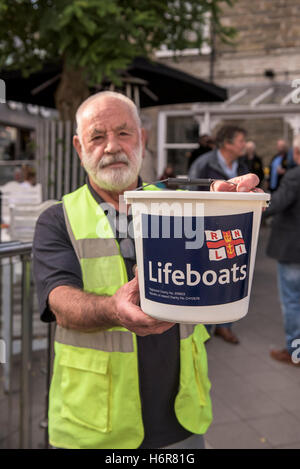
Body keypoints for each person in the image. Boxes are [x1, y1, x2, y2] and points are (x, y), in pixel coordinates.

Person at [33, 91, 261, 449]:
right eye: (97, 136)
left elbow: (220, 247)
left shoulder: (179, 202)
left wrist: (225, 204)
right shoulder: (57, 217)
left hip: (182, 419)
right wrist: (113, 309)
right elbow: (59, 302)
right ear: (79, 147)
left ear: (143, 137)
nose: (111, 147)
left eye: (123, 132)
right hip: (95, 428)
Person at [189, 125, 249, 344]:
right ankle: (204, 328)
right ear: (228, 143)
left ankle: (224, 326)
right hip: (208, 232)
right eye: (241, 140)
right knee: (208, 280)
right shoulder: (203, 163)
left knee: (230, 277)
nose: (244, 144)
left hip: (235, 230)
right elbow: (191, 197)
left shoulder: (242, 165)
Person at [262, 134, 300, 367]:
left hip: (293, 250)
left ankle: (295, 352)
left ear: (296, 154)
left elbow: (276, 205)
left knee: (292, 302)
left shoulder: (295, 176)